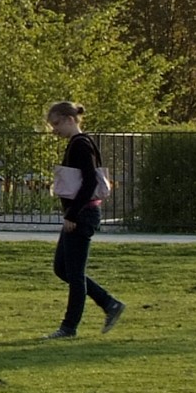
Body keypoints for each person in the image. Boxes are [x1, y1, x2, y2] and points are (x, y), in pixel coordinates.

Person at [44, 100, 125, 340]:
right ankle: (109, 303)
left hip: (82, 214)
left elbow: (89, 182)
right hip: (79, 214)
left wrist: (72, 214)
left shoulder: (80, 145)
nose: (54, 130)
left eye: (57, 123)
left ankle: (69, 327)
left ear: (70, 119)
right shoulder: (78, 143)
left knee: (75, 273)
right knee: (62, 268)